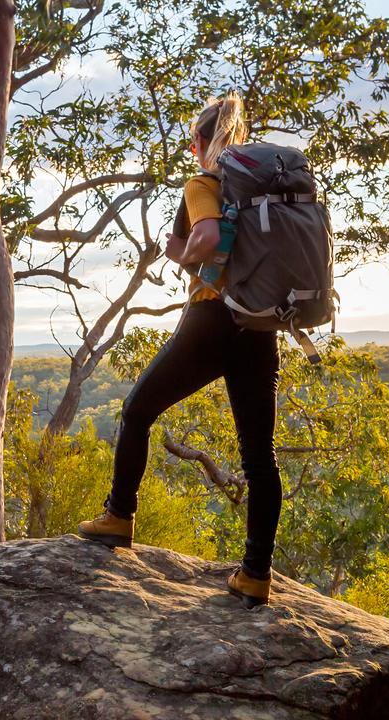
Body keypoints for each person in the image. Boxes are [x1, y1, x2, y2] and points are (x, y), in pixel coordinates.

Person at [76, 91, 282, 609]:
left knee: (137, 410)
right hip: (259, 327)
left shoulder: (204, 183)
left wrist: (186, 254)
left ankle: (119, 516)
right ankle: (256, 574)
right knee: (260, 459)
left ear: (199, 144)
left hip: (212, 319)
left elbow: (209, 239)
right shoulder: (260, 191)